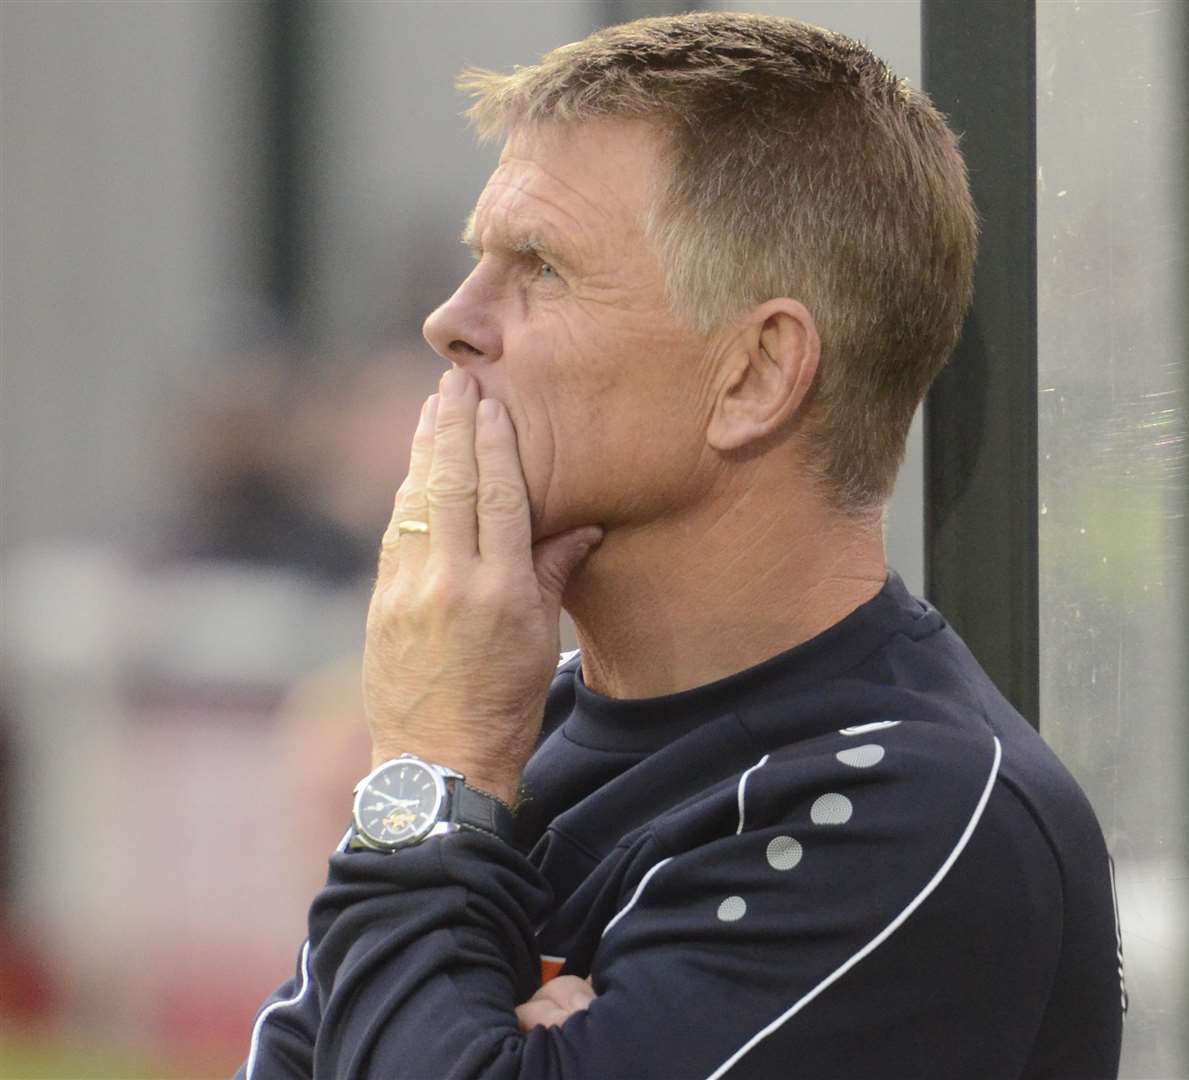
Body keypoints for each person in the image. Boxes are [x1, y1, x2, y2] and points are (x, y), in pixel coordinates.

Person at [237, 12, 1124, 1079]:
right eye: (480, 259)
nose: (451, 320)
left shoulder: (917, 814)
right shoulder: (531, 727)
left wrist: (433, 777)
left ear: (754, 376)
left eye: (541, 266)